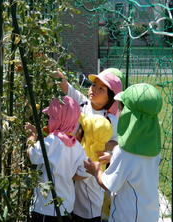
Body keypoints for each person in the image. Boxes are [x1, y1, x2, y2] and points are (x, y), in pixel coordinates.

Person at [84, 83, 163, 222]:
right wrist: (114, 156)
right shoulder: (154, 148)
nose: (119, 111)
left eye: (121, 107)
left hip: (126, 216)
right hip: (150, 213)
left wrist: (96, 170)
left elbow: (108, 184)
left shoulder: (124, 152)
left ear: (130, 115)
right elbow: (137, 166)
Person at [56, 68, 123, 221]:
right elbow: (68, 89)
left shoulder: (111, 120)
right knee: (72, 198)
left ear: (110, 98)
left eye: (101, 89)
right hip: (73, 161)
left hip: (90, 168)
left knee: (89, 204)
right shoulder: (83, 103)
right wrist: (60, 78)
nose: (94, 89)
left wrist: (109, 150)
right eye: (93, 85)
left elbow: (115, 142)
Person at [26, 96, 89, 222]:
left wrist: (32, 137)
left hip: (46, 207)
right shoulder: (76, 145)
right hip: (66, 205)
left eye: (51, 117)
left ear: (59, 120)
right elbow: (84, 173)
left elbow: (33, 155)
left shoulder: (53, 140)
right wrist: (65, 175)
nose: (49, 121)